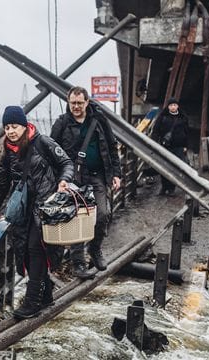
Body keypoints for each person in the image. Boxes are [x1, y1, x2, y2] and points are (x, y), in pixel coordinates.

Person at [0, 105, 74, 319]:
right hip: (24, 211)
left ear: (24, 126)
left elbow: (66, 163)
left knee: (37, 248)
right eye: (7, 127)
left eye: (14, 126)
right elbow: (0, 185)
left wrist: (64, 180)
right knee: (24, 250)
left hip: (45, 207)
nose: (11, 131)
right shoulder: (8, 152)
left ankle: (32, 301)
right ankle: (46, 295)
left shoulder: (43, 143)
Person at [50, 86, 122, 279]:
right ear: (68, 102)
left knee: (103, 214)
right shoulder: (62, 123)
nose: (76, 106)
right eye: (72, 103)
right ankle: (79, 264)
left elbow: (112, 145)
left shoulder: (98, 120)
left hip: (98, 174)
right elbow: (51, 152)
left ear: (87, 102)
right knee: (77, 219)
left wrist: (116, 174)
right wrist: (59, 179)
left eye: (79, 103)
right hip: (73, 177)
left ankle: (95, 249)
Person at [152, 97, 189, 196]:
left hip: (178, 147)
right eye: (171, 105)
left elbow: (187, 132)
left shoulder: (183, 117)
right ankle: (164, 187)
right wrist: (155, 143)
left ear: (177, 106)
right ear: (168, 107)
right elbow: (156, 131)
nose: (173, 107)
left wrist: (185, 146)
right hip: (165, 146)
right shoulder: (163, 117)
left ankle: (172, 188)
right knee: (164, 167)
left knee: (175, 168)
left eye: (174, 105)